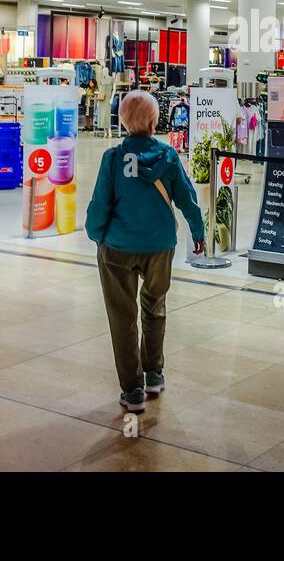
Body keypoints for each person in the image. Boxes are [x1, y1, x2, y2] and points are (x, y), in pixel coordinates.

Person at [85, 89, 204, 413]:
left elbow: (100, 206)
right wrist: (199, 232)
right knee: (155, 307)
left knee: (122, 318)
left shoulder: (113, 158)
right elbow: (187, 198)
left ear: (122, 121)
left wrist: (97, 236)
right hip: (159, 246)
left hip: (118, 249)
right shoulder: (168, 157)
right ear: (155, 120)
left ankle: (132, 391)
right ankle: (154, 373)